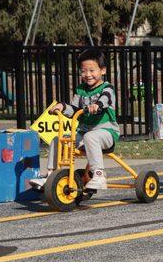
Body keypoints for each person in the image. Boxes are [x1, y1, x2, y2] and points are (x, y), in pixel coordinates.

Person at [30, 48, 120, 190]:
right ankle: (51, 175)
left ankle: (99, 175)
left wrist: (97, 105)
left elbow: (106, 99)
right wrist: (62, 107)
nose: (87, 75)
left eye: (92, 70)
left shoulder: (107, 88)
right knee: (58, 139)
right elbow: (74, 108)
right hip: (84, 133)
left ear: (103, 71)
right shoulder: (80, 90)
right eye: (83, 71)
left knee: (91, 137)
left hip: (106, 133)